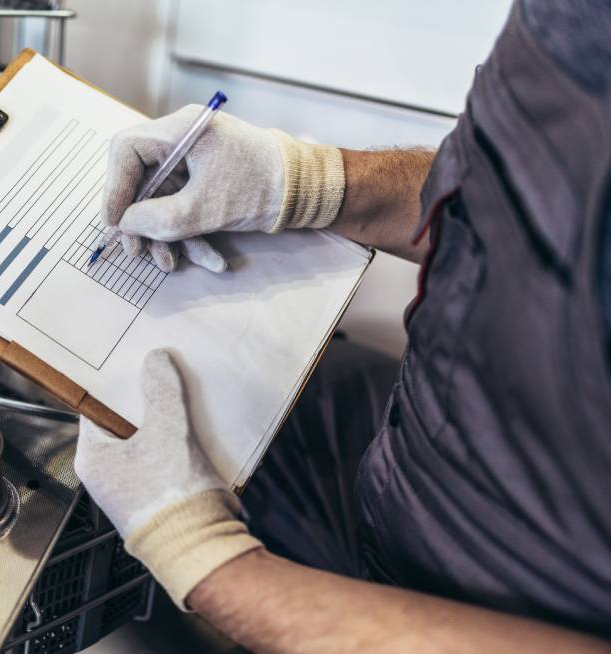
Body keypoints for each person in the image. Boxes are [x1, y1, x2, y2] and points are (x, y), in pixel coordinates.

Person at [74, 1, 611, 652]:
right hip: (408, 450)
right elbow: (507, 198)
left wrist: (201, 556)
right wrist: (308, 183)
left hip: (483, 605)